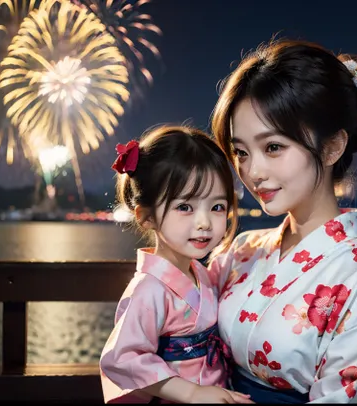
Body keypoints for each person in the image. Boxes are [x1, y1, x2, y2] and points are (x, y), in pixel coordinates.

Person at [208, 39, 357, 403]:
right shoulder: (243, 249)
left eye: (273, 147)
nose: (252, 172)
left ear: (332, 147)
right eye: (241, 152)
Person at [99, 125, 253, 404]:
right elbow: (123, 357)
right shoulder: (148, 289)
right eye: (185, 207)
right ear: (147, 216)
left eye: (217, 207)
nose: (204, 222)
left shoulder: (201, 274)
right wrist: (191, 392)